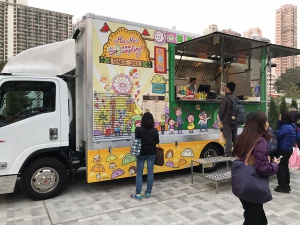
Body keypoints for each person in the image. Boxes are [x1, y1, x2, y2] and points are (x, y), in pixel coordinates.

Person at [233, 110, 280, 225]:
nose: (267, 124)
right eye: (266, 121)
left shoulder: (240, 137)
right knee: (253, 220)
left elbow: (246, 158)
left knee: (260, 220)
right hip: (252, 187)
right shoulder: (261, 141)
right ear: (261, 124)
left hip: (241, 186)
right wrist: (275, 165)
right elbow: (262, 169)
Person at [131, 112, 159, 200]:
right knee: (150, 173)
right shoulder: (155, 130)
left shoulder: (138, 130)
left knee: (139, 173)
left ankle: (138, 193)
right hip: (151, 153)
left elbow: (137, 139)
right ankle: (148, 193)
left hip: (141, 153)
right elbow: (157, 141)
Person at [274, 111, 296, 193]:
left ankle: (283, 187)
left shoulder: (285, 128)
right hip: (288, 150)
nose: (279, 118)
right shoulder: (292, 126)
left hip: (282, 150)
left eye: (281, 117)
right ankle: (286, 185)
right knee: (285, 167)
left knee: (280, 168)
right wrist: (280, 122)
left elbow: (278, 135)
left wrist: (279, 122)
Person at [219, 82, 238, 156]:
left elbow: (221, 111)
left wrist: (221, 119)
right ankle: (236, 152)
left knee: (228, 137)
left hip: (227, 121)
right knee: (234, 137)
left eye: (225, 88)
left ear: (227, 88)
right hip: (235, 120)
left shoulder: (225, 99)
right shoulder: (236, 98)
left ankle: (228, 153)